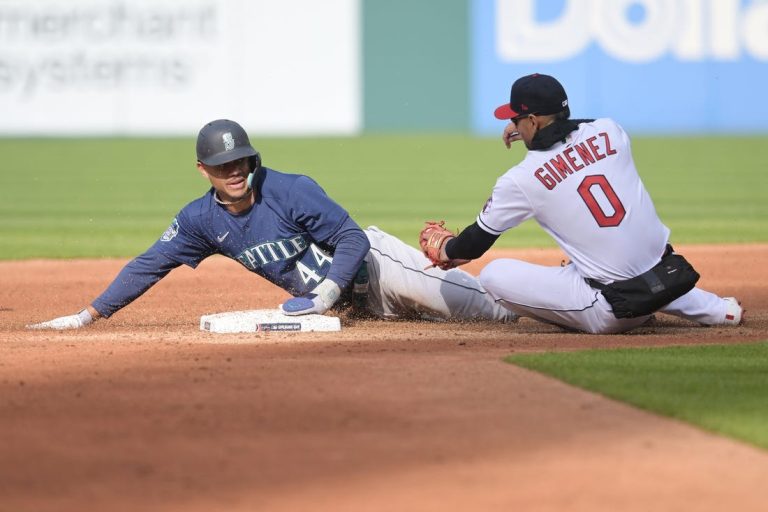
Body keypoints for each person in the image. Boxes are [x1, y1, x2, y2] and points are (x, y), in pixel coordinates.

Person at [28, 119, 514, 330]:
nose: (234, 171)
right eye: (223, 166)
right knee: (440, 327)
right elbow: (149, 264)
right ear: (204, 171)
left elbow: (349, 237)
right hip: (359, 309)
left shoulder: (288, 189)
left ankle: (572, 298)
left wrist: (326, 293)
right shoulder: (199, 221)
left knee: (495, 316)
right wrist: (88, 315)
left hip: (381, 269)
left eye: (241, 161)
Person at [419, 73, 743, 334]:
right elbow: (580, 127)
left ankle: (634, 316)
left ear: (533, 121)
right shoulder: (611, 131)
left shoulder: (522, 179)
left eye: (518, 119)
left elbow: (473, 246)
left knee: (494, 275)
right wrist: (538, 129)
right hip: (667, 276)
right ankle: (718, 310)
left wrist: (446, 251)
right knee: (612, 253)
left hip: (614, 309)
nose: (513, 124)